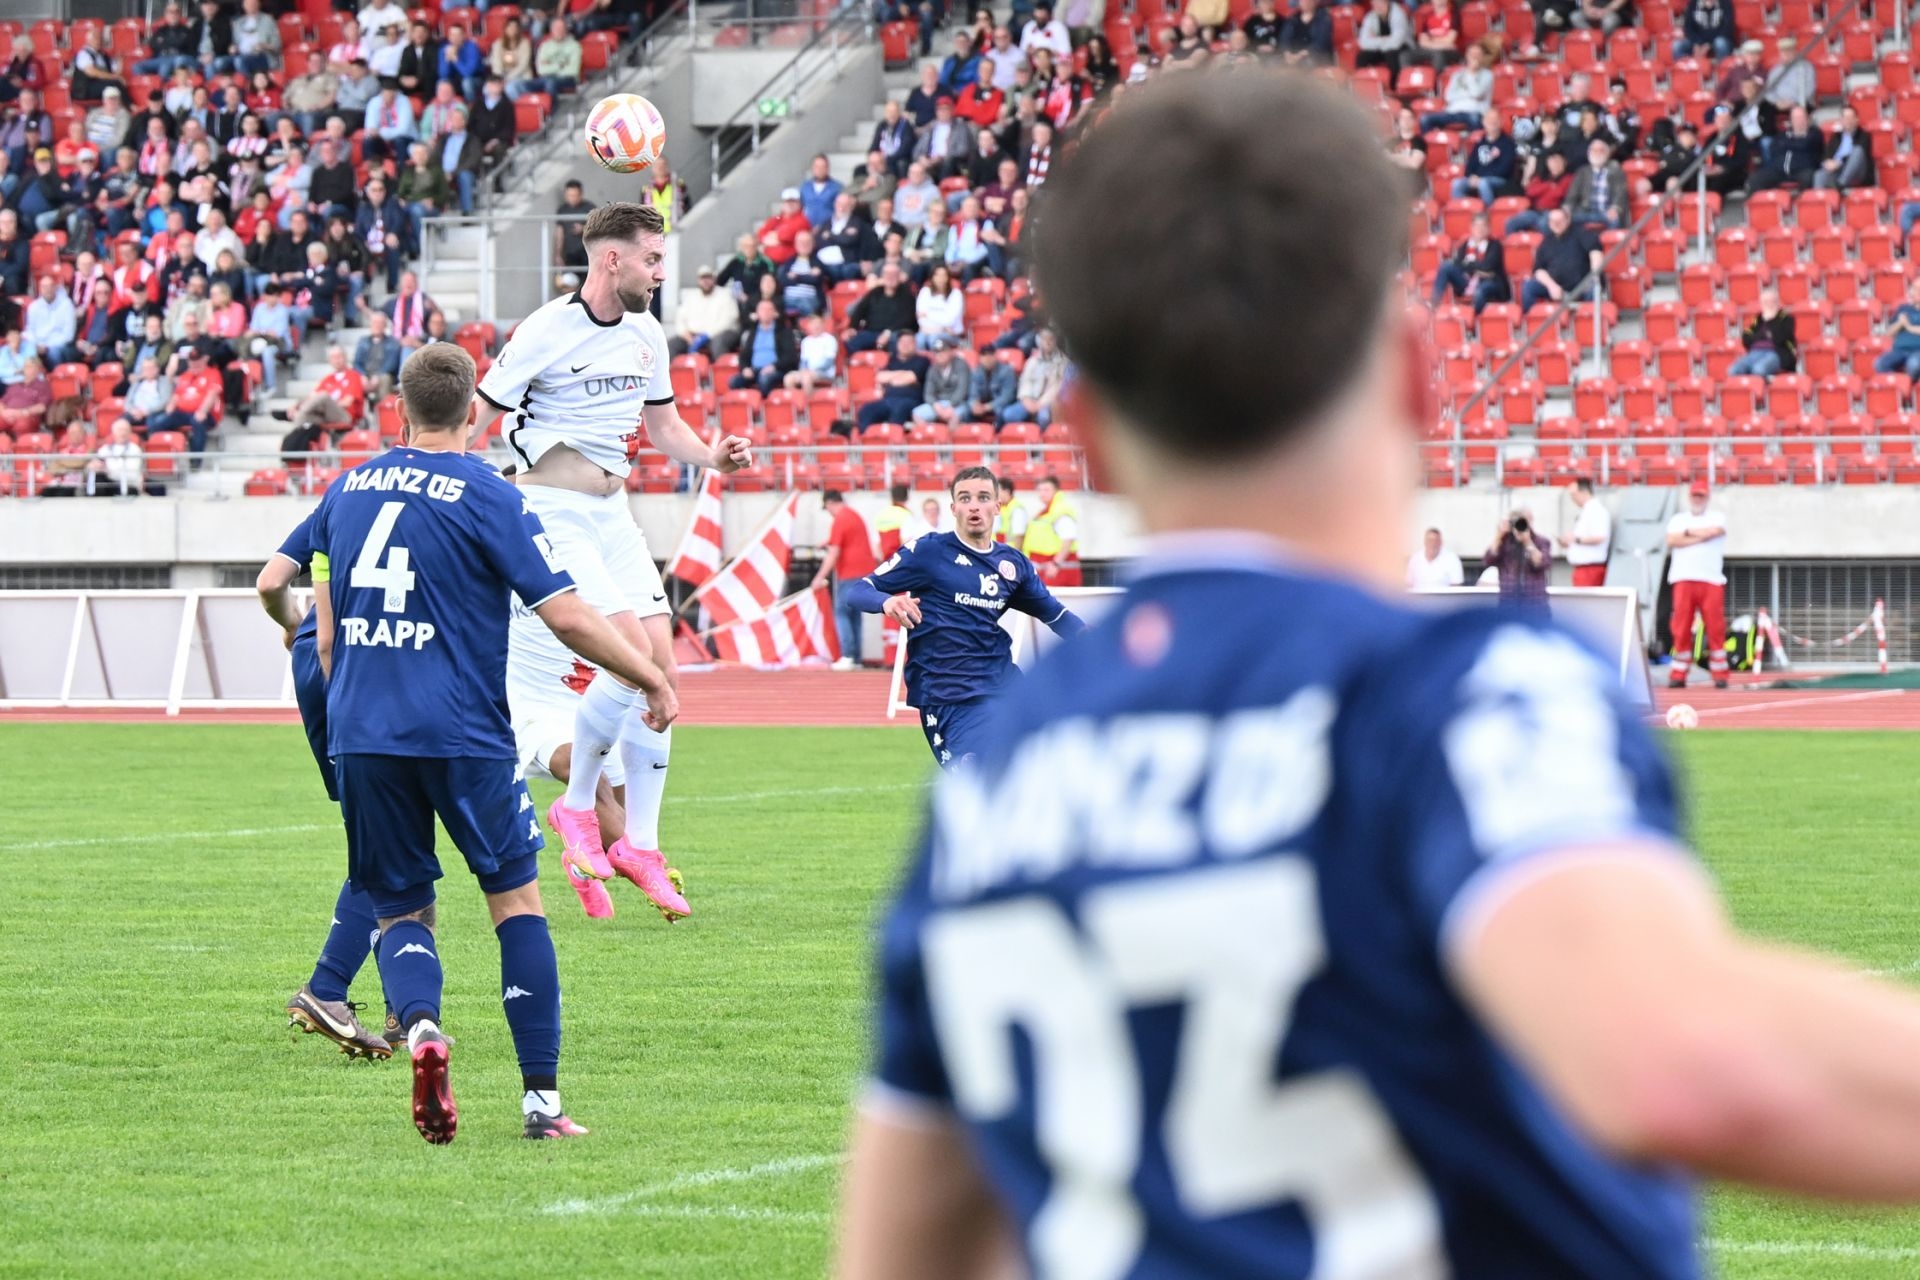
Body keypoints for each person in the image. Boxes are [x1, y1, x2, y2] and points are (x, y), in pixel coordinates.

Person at [852, 70, 1920, 1280]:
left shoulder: (997, 785)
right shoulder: (1464, 694)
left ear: (1087, 433)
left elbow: (899, 1253)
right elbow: (1668, 1058)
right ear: (1413, 375)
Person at [310, 334, 674, 1147]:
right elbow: (567, 614)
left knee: (401, 909)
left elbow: (325, 637)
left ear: (398, 409)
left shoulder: (346, 489)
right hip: (464, 731)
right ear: (475, 413)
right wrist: (649, 674)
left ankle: (422, 1028)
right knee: (515, 904)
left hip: (365, 729)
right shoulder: (489, 494)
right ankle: (541, 1103)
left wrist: (350, 715)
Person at [471, 202, 753, 923]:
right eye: (652, 259)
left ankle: (641, 844)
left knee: (663, 666)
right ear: (611, 259)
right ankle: (576, 809)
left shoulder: (646, 333)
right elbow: (478, 415)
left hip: (612, 514)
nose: (660, 273)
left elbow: (664, 426)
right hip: (550, 508)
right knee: (630, 656)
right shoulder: (545, 329)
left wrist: (712, 457)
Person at [261, 510, 399, 1062]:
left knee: (388, 838)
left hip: (317, 660)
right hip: (376, 663)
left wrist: (294, 624)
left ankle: (406, 1010)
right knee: (390, 843)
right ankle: (328, 987)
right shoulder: (451, 494)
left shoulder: (344, 498)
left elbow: (271, 582)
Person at [841, 466, 1083, 768]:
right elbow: (859, 591)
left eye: (983, 497)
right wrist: (887, 601)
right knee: (981, 782)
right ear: (954, 508)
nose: (974, 506)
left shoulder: (1013, 564)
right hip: (948, 696)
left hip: (1004, 685)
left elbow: (1057, 616)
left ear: (997, 506)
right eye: (965, 498)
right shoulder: (929, 551)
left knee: (1043, 771)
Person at [1666, 477, 1729, 689]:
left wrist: (1687, 534)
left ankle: (1720, 673)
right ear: (1689, 496)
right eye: (1695, 495)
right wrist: (1700, 535)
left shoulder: (1717, 517)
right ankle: (1679, 672)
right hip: (1683, 578)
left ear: (1707, 497)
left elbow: (1716, 531)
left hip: (1711, 579)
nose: (1698, 499)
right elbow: (1672, 540)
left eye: (1701, 495)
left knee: (1715, 626)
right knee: (1681, 626)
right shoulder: (1678, 519)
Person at [814, 488, 880, 669]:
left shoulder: (840, 519)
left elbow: (834, 553)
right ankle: (856, 658)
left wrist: (819, 577)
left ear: (830, 503)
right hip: (864, 572)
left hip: (849, 573)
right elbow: (849, 541)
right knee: (855, 615)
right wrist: (828, 542)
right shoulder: (853, 516)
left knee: (841, 613)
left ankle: (848, 655)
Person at [1520, 206, 1600, 312]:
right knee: (1529, 287)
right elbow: (1538, 270)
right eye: (1553, 221)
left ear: (1567, 220)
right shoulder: (1546, 242)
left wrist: (1593, 275)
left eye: (1559, 220)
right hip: (1556, 287)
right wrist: (1552, 286)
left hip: (1582, 286)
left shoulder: (1582, 234)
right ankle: (1532, 319)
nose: (1556, 224)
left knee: (1593, 288)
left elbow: (1595, 252)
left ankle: (1588, 319)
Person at [1430, 213, 1509, 315]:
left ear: (1489, 228)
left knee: (1480, 292)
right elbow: (1458, 263)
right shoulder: (1466, 244)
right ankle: (1433, 304)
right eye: (1477, 226)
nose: (1480, 229)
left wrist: (1468, 265)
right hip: (1468, 281)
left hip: (1490, 282)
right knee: (1446, 266)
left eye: (1483, 226)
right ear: (1471, 228)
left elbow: (1488, 267)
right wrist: (1475, 267)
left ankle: (1474, 318)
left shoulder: (1495, 246)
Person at [1021, 472, 1080, 584]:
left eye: (1047, 490)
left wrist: (1056, 563)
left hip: (1057, 572)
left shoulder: (1060, 511)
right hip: (1046, 571)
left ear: (1056, 491)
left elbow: (1068, 539)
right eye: (1040, 490)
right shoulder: (1046, 511)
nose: (1042, 493)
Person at [1452, 107, 1516, 206]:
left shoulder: (1508, 143)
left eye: (1495, 120)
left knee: (1483, 183)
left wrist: (1480, 177)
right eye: (1489, 120)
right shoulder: (1480, 143)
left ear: (1500, 122)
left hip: (1499, 179)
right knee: (1457, 184)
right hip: (1478, 178)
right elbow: (1470, 165)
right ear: (1484, 123)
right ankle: (1462, 210)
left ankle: (1488, 212)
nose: (1492, 123)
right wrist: (1471, 176)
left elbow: (1505, 169)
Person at [1487, 506, 1550, 607]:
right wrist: (1499, 534)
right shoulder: (1504, 543)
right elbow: (1489, 559)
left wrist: (1527, 542)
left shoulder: (1541, 541)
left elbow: (1542, 563)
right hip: (1509, 605)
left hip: (1535, 605)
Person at [1729, 287, 1797, 378]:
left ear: (1778, 302)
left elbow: (1780, 338)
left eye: (1772, 301)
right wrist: (1764, 335)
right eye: (1765, 302)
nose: (1769, 304)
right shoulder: (1758, 319)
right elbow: (1746, 338)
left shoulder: (1786, 318)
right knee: (1734, 370)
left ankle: (1767, 384)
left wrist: (1770, 321)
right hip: (1755, 352)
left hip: (1776, 354)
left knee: (1759, 370)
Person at [1558, 477, 1612, 587]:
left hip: (1590, 569)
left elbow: (1600, 537)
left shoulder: (1597, 511)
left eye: (1574, 495)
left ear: (1584, 492)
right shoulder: (1587, 511)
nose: (1572, 499)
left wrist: (1576, 539)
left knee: (1585, 598)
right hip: (1584, 568)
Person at [1814, 105, 1874, 191]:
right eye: (1845, 118)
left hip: (1857, 171)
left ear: (1856, 119)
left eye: (1850, 118)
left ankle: (1840, 185)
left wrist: (1839, 163)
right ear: (1841, 120)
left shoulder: (1864, 136)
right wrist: (1827, 162)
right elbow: (1826, 154)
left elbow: (1859, 156)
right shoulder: (1836, 136)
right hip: (1836, 171)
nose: (1847, 121)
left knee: (1857, 151)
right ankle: (1820, 198)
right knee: (1819, 175)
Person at [1873, 277, 1920, 380]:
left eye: (1916, 289)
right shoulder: (1903, 309)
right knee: (1880, 364)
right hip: (1899, 350)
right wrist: (1900, 323)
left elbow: (1911, 327)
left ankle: (1907, 386)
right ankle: (1898, 383)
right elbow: (1889, 333)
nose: (1912, 292)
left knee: (1914, 365)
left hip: (1918, 350)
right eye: (1912, 288)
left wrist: (1909, 327)